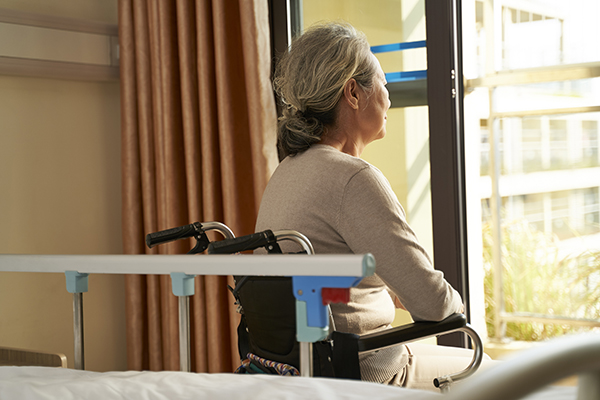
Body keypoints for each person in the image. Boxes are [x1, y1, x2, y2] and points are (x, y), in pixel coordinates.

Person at [255, 21, 484, 391]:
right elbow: (436, 305)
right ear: (353, 93)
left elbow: (327, 274)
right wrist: (451, 300)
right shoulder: (353, 178)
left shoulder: (288, 171)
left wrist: (388, 289)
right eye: (383, 83)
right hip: (361, 369)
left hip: (298, 366)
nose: (389, 96)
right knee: (486, 369)